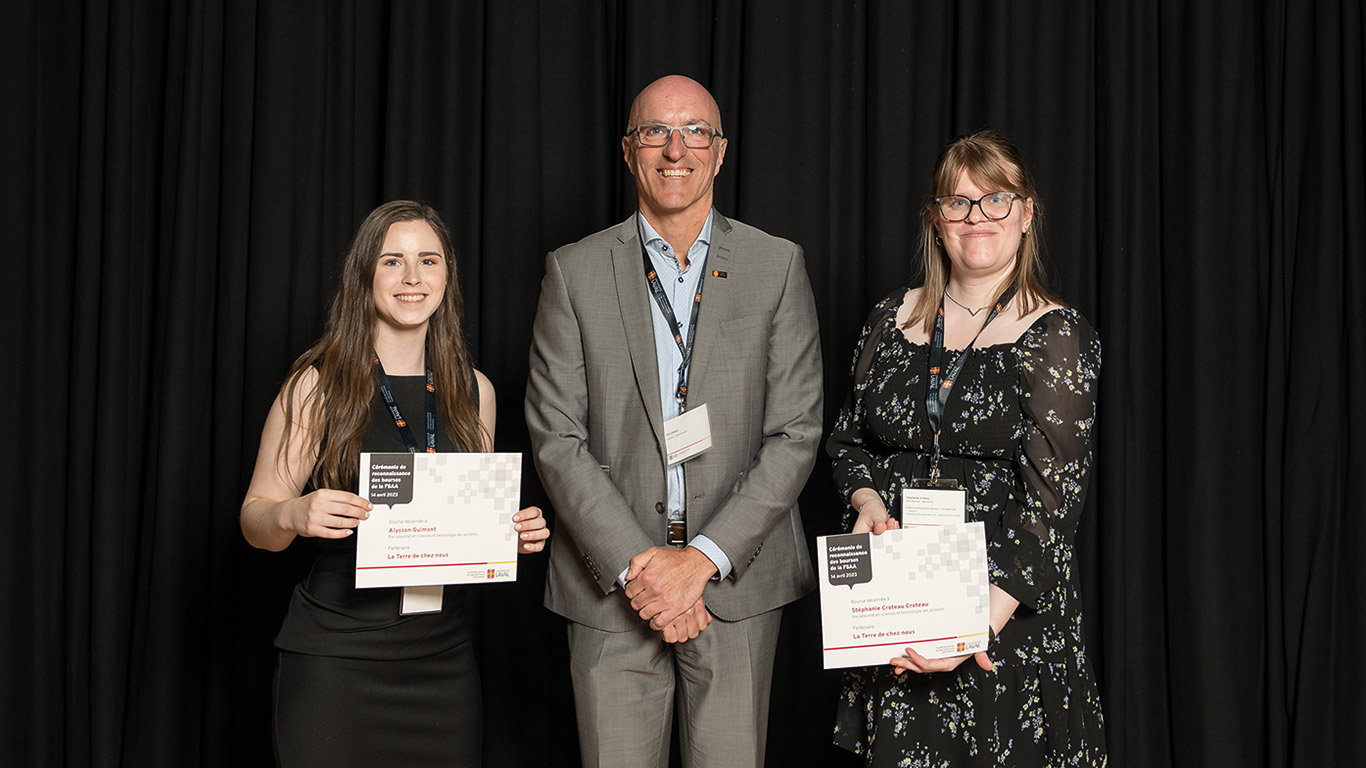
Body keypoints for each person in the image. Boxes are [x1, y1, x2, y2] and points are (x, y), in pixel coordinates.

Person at [524, 74, 822, 768]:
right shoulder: (572, 272)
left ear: (720, 153)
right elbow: (555, 437)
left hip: (737, 585)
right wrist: (643, 568)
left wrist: (700, 562)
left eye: (695, 132)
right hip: (611, 591)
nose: (675, 149)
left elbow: (797, 431)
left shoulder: (777, 266)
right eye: (656, 132)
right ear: (628, 152)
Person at [827, 130, 1107, 766]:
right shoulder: (886, 319)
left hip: (1002, 622)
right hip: (899, 605)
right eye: (957, 202)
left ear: (1027, 212)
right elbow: (847, 440)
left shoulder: (1057, 334)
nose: (977, 217)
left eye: (996, 199)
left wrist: (973, 625)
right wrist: (867, 499)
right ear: (936, 219)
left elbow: (1051, 504)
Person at [239, 200, 549, 767]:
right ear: (365, 276)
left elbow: (465, 529)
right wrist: (292, 514)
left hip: (442, 659)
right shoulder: (318, 384)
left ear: (447, 274)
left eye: (428, 260)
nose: (412, 278)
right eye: (392, 262)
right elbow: (257, 518)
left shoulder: (474, 390)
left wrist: (512, 533)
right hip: (335, 658)